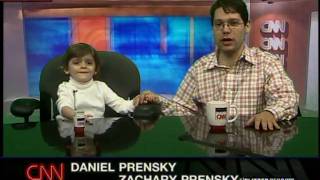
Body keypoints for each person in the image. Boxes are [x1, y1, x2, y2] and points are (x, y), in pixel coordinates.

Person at [138, 0, 299, 131]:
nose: (226, 30)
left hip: (253, 149)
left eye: (233, 23)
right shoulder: (199, 68)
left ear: (247, 26)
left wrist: (270, 112)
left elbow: (288, 99)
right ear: (213, 28)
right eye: (219, 24)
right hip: (211, 148)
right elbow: (183, 110)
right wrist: (157, 100)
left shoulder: (267, 63)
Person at [56, 43, 140, 121]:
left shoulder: (101, 87)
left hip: (96, 129)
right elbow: (64, 107)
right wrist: (77, 116)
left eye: (89, 63)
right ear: (66, 69)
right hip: (71, 129)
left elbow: (121, 105)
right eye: (76, 63)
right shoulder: (65, 87)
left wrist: (137, 101)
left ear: (95, 69)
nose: (83, 66)